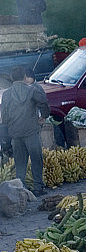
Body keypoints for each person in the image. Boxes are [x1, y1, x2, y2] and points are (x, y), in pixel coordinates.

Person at [1, 65, 48, 195]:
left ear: (11, 78)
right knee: (36, 159)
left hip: (15, 134)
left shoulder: (6, 95)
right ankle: (38, 187)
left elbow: (4, 118)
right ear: (24, 77)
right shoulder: (32, 90)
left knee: (20, 162)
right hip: (31, 131)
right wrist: (43, 117)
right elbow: (44, 102)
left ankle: (21, 189)